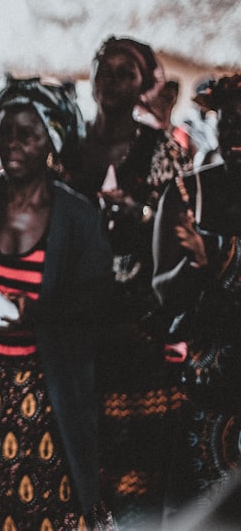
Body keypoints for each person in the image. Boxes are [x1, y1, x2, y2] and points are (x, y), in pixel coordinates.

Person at [0, 76, 114, 530]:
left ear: (52, 140)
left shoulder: (77, 217)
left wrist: (38, 313)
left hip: (46, 395)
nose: (11, 143)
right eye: (5, 130)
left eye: (26, 134)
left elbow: (99, 305)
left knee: (46, 505)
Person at [66, 36, 190, 527]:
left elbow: (181, 236)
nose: (113, 80)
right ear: (92, 77)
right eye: (105, 70)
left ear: (143, 84)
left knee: (137, 460)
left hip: (138, 326)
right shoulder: (68, 148)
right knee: (79, 451)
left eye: (126, 72)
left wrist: (138, 216)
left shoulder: (164, 149)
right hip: (73, 321)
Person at [153, 74, 241, 523]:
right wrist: (196, 263)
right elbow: (163, 290)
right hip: (208, 386)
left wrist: (220, 254)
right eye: (227, 125)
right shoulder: (190, 192)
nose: (235, 137)